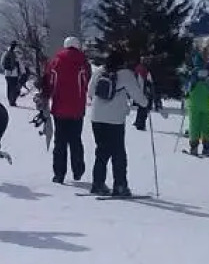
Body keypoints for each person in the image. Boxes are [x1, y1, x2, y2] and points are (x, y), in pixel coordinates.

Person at [88, 51, 148, 197]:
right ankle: (120, 185)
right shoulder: (126, 74)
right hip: (115, 119)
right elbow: (137, 96)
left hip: (96, 117)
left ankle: (98, 184)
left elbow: (90, 91)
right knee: (118, 153)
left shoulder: (99, 72)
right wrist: (145, 103)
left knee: (101, 152)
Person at [40, 36, 91, 185]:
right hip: (77, 108)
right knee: (76, 140)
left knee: (60, 142)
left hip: (59, 107)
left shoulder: (55, 62)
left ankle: (59, 174)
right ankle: (78, 170)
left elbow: (48, 82)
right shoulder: (83, 63)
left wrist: (46, 97)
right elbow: (87, 82)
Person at [182, 49, 209, 156]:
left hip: (194, 103)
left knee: (194, 125)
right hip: (207, 103)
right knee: (207, 125)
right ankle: (207, 148)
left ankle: (194, 147)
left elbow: (188, 87)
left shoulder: (193, 73)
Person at [1, 42, 23, 107]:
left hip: (7, 74)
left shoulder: (6, 53)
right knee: (15, 88)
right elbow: (21, 65)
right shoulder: (16, 54)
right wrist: (23, 72)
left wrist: (6, 69)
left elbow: (2, 63)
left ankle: (11, 100)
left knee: (9, 87)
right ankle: (12, 101)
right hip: (14, 74)